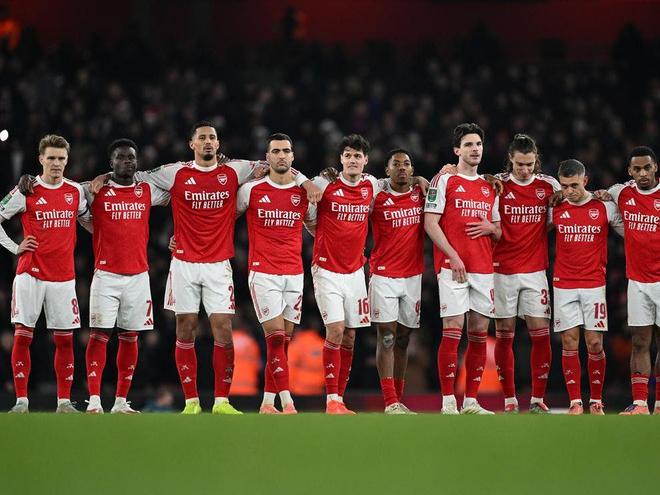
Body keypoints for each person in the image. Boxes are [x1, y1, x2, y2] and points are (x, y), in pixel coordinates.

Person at [92, 121, 319, 414]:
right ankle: (191, 402)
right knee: (185, 329)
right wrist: (104, 176)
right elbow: (133, 175)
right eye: (202, 137)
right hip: (184, 264)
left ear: (218, 143)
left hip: (218, 265)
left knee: (223, 329)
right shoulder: (175, 172)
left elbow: (277, 165)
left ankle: (222, 401)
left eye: (212, 137)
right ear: (192, 144)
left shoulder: (235, 170)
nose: (208, 141)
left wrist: (306, 182)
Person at [0, 134, 90, 413]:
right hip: (31, 274)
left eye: (61, 158)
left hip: (63, 277)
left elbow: (88, 220)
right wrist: (15, 247)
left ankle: (64, 402)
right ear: (41, 159)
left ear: (67, 160)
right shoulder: (26, 190)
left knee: (65, 340)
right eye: (51, 158)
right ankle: (21, 402)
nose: (56, 163)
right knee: (22, 336)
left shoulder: (75, 191)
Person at [83, 139, 170, 414]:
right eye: (121, 157)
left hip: (138, 276)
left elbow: (178, 195)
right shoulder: (94, 190)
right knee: (99, 336)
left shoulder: (146, 190)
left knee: (130, 337)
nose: (127, 162)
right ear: (111, 163)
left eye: (131, 157)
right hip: (106, 276)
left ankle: (121, 401)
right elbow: (63, 190)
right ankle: (94, 401)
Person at [424, 123, 501, 415]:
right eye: (468, 144)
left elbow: (499, 231)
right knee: (453, 329)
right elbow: (430, 223)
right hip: (452, 267)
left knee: (480, 333)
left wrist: (491, 229)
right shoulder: (444, 180)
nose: (475, 149)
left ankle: (471, 401)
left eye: (478, 144)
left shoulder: (490, 186)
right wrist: (453, 256)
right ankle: (448, 401)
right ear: (457, 150)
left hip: (483, 268)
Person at [236, 133, 316, 414]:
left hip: (294, 273)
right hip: (263, 273)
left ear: (292, 156)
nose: (281, 155)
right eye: (276, 151)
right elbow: (225, 218)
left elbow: (316, 227)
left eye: (286, 151)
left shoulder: (304, 193)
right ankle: (288, 401)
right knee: (276, 338)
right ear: (267, 157)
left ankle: (267, 403)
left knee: (284, 343)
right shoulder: (251, 190)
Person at [549, 159, 623, 415]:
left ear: (585, 180)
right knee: (569, 342)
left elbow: (631, 233)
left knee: (594, 344)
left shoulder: (603, 206)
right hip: (564, 284)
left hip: (594, 285)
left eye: (574, 185)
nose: (569, 191)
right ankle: (575, 403)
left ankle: (596, 401)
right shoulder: (555, 208)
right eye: (564, 186)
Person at [492, 134, 559, 413]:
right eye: (519, 164)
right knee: (504, 334)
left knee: (540, 334)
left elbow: (555, 221)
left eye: (529, 164)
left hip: (534, 271)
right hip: (501, 270)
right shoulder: (497, 184)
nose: (524, 170)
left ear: (536, 161)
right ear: (511, 160)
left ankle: (537, 399)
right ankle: (509, 400)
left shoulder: (549, 186)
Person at [605, 147, 660, 415]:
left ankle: (659, 404)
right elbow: (600, 198)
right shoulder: (622, 192)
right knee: (639, 341)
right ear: (630, 171)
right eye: (637, 169)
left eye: (647, 168)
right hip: (637, 281)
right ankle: (639, 404)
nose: (642, 173)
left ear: (655, 167)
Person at [369, 149, 424, 414]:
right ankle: (390, 401)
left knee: (403, 339)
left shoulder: (421, 194)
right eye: (396, 164)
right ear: (387, 170)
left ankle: (398, 401)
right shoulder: (377, 197)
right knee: (388, 337)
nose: (402, 167)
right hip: (384, 276)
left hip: (413, 276)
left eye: (407, 164)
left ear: (412, 170)